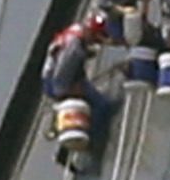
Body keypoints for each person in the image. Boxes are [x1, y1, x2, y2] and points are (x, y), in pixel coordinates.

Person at [41, 12, 115, 169]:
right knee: (102, 106)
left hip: (58, 77)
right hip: (60, 82)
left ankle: (64, 148)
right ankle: (90, 139)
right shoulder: (74, 48)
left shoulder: (76, 32)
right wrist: (70, 92)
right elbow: (62, 71)